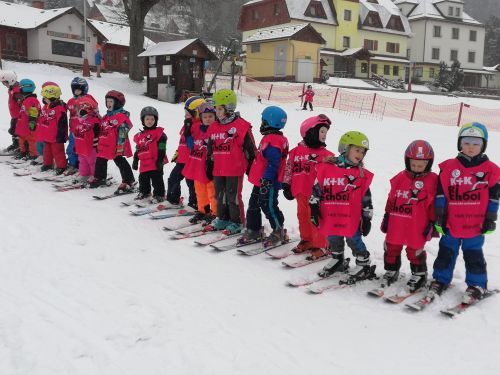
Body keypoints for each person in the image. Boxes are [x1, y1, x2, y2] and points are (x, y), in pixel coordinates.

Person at [426, 123, 499, 305]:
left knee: (473, 255)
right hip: (451, 223)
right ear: (460, 144)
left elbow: (494, 197)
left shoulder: (491, 170)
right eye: (466, 142)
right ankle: (440, 280)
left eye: (475, 143)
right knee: (445, 253)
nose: (470, 147)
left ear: (483, 145)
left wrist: (490, 218)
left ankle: (476, 284)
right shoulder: (449, 167)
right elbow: (441, 194)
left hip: (475, 225)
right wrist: (440, 215)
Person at [310, 131, 374, 284]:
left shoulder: (360, 174)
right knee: (332, 236)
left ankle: (363, 262)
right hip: (330, 214)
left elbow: (366, 198)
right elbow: (317, 188)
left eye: (363, 151)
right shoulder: (327, 168)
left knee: (354, 239)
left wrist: (367, 218)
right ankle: (337, 258)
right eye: (357, 150)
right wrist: (313, 206)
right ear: (345, 148)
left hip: (350, 217)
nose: (360, 154)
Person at [380, 140, 438, 292]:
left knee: (415, 249)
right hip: (397, 221)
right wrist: (387, 216)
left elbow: (434, 205)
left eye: (421, 165)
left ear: (429, 163)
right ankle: (391, 270)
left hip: (417, 224)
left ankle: (419, 273)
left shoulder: (432, 180)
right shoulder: (400, 177)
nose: (417, 168)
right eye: (414, 164)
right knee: (391, 246)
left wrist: (433, 223)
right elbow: (391, 198)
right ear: (407, 161)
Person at [205, 89, 256, 234]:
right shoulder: (214, 126)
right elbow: (210, 147)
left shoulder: (241, 125)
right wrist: (209, 163)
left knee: (233, 195)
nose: (217, 112)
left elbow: (250, 147)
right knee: (219, 195)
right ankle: (223, 218)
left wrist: (251, 164)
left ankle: (237, 221)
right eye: (216, 108)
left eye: (220, 109)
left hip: (234, 167)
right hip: (219, 167)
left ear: (229, 108)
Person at [282, 114, 333, 256]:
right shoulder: (295, 152)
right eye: (322, 131)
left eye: (326, 132)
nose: (324, 135)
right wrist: (286, 184)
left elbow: (332, 175)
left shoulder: (327, 155)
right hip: (299, 191)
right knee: (302, 216)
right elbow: (289, 168)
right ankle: (307, 239)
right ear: (310, 132)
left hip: (317, 196)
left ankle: (322, 245)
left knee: (316, 219)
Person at [240, 106, 290, 246]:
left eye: (263, 121)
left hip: (268, 182)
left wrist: (267, 180)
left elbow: (273, 163)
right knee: (253, 205)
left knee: (269, 206)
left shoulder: (274, 141)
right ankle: (254, 229)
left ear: (270, 122)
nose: (261, 124)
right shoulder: (270, 138)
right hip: (260, 181)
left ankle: (279, 230)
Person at [89, 90, 135, 193]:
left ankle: (128, 180)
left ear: (118, 103)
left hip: (116, 145)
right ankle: (100, 177)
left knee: (119, 161)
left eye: (111, 101)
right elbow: (103, 128)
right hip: (105, 144)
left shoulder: (121, 116)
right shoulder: (107, 116)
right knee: (100, 159)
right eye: (107, 101)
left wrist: (120, 144)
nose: (108, 104)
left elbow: (123, 130)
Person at [182, 101, 218, 224]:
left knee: (212, 191)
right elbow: (191, 145)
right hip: (197, 165)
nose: (208, 119)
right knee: (200, 190)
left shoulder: (217, 130)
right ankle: (203, 210)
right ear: (201, 118)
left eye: (211, 116)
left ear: (215, 117)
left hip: (209, 166)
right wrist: (187, 134)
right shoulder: (196, 127)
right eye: (205, 117)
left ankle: (214, 213)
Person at [166, 95, 204, 209]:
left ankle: (194, 203)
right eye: (185, 112)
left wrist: (188, 133)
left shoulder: (199, 126)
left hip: (192, 160)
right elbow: (182, 142)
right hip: (182, 159)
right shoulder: (187, 124)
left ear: (196, 113)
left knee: (191, 183)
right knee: (173, 178)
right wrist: (178, 152)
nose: (185, 115)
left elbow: (193, 144)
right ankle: (173, 199)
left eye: (188, 113)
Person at [132, 106, 167, 204]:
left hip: (156, 162)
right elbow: (138, 149)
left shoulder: (159, 133)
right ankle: (144, 192)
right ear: (143, 120)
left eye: (152, 119)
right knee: (143, 179)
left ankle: (159, 195)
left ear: (156, 120)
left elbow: (162, 147)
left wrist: (160, 160)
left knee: (157, 179)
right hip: (144, 163)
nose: (150, 121)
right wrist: (135, 160)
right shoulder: (139, 136)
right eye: (147, 119)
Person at [66, 77, 97, 175]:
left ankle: (86, 167)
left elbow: (95, 109)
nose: (77, 91)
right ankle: (73, 164)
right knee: (71, 148)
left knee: (84, 150)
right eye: (75, 89)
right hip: (73, 130)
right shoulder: (70, 101)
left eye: (79, 89)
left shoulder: (88, 99)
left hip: (84, 130)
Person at [38, 82, 68, 174]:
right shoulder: (45, 107)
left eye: (45, 97)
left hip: (56, 136)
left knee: (58, 152)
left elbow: (62, 123)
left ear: (52, 97)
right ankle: (48, 164)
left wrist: (61, 135)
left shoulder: (59, 109)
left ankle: (61, 166)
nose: (43, 99)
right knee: (47, 151)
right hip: (47, 135)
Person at [73, 96, 101, 182]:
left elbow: (98, 133)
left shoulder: (94, 121)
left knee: (92, 162)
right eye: (79, 111)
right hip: (81, 146)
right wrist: (76, 145)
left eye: (82, 111)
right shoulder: (79, 121)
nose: (79, 113)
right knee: (82, 161)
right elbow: (76, 133)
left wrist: (96, 145)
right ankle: (84, 174)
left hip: (91, 147)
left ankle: (94, 175)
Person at [15, 79, 40, 160]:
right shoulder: (26, 99)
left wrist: (32, 122)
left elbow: (34, 112)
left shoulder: (32, 100)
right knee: (22, 138)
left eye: (20, 88)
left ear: (24, 88)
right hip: (23, 124)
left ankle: (33, 154)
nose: (19, 90)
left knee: (31, 140)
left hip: (28, 125)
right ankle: (24, 152)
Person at [0, 70, 21, 153]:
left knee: (17, 131)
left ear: (11, 80)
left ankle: (18, 146)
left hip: (19, 117)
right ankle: (15, 144)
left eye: (5, 83)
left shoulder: (17, 91)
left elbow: (22, 104)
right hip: (14, 115)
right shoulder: (12, 89)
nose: (4, 85)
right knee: (13, 130)